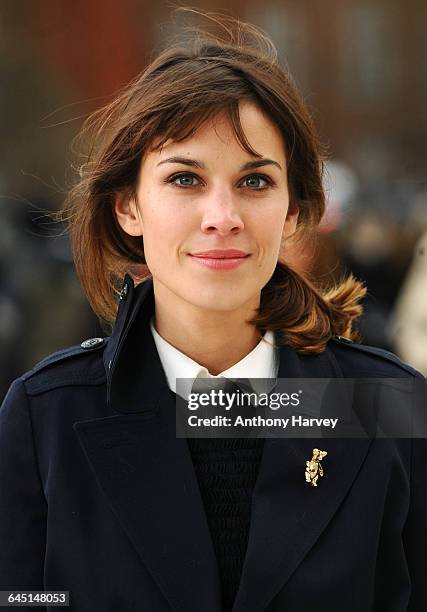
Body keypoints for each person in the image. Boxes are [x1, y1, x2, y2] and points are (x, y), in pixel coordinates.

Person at [0, 9, 426, 612]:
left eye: (254, 182)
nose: (222, 215)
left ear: (294, 211)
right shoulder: (47, 419)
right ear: (128, 208)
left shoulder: (385, 410)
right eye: (184, 179)